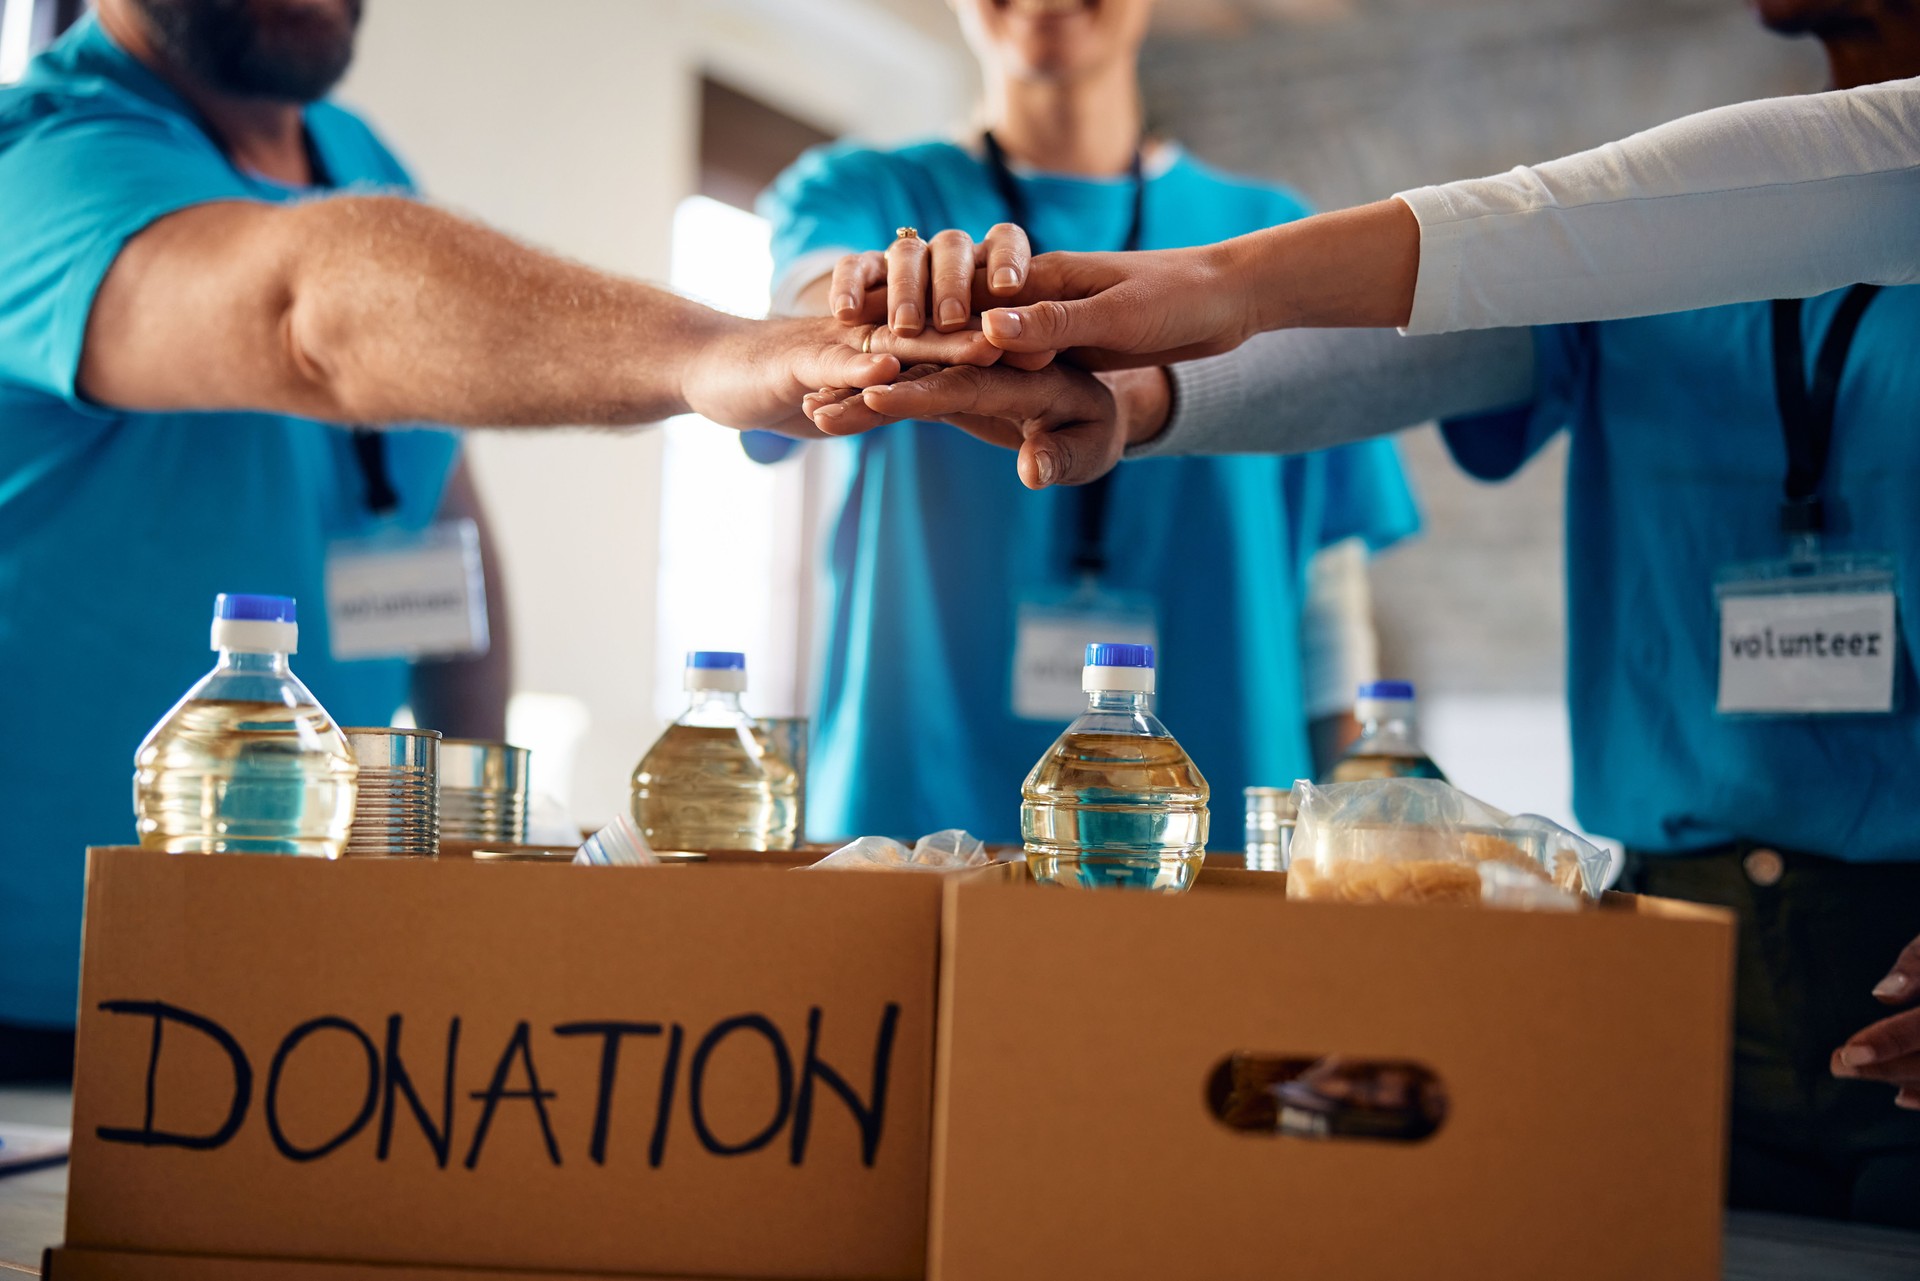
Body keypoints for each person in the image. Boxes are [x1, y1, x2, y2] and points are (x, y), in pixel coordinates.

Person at [825, 0, 1920, 1229]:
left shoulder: (1717, 197)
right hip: (1664, 936)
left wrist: (1216, 281)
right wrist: (1143, 398)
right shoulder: (1661, 236)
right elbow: (1438, 338)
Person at [0, 0, 998, 1083]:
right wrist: (713, 355)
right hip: (48, 1016)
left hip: (278, 1008)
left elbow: (440, 508)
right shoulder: (39, 164)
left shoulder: (352, 155)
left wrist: (476, 879)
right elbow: (308, 313)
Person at [746, 0, 1418, 843]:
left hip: (1219, 824)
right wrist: (872, 304)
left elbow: (1327, 583)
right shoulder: (860, 198)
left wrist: (1361, 823)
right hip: (910, 815)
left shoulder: (1273, 237)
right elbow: (806, 315)